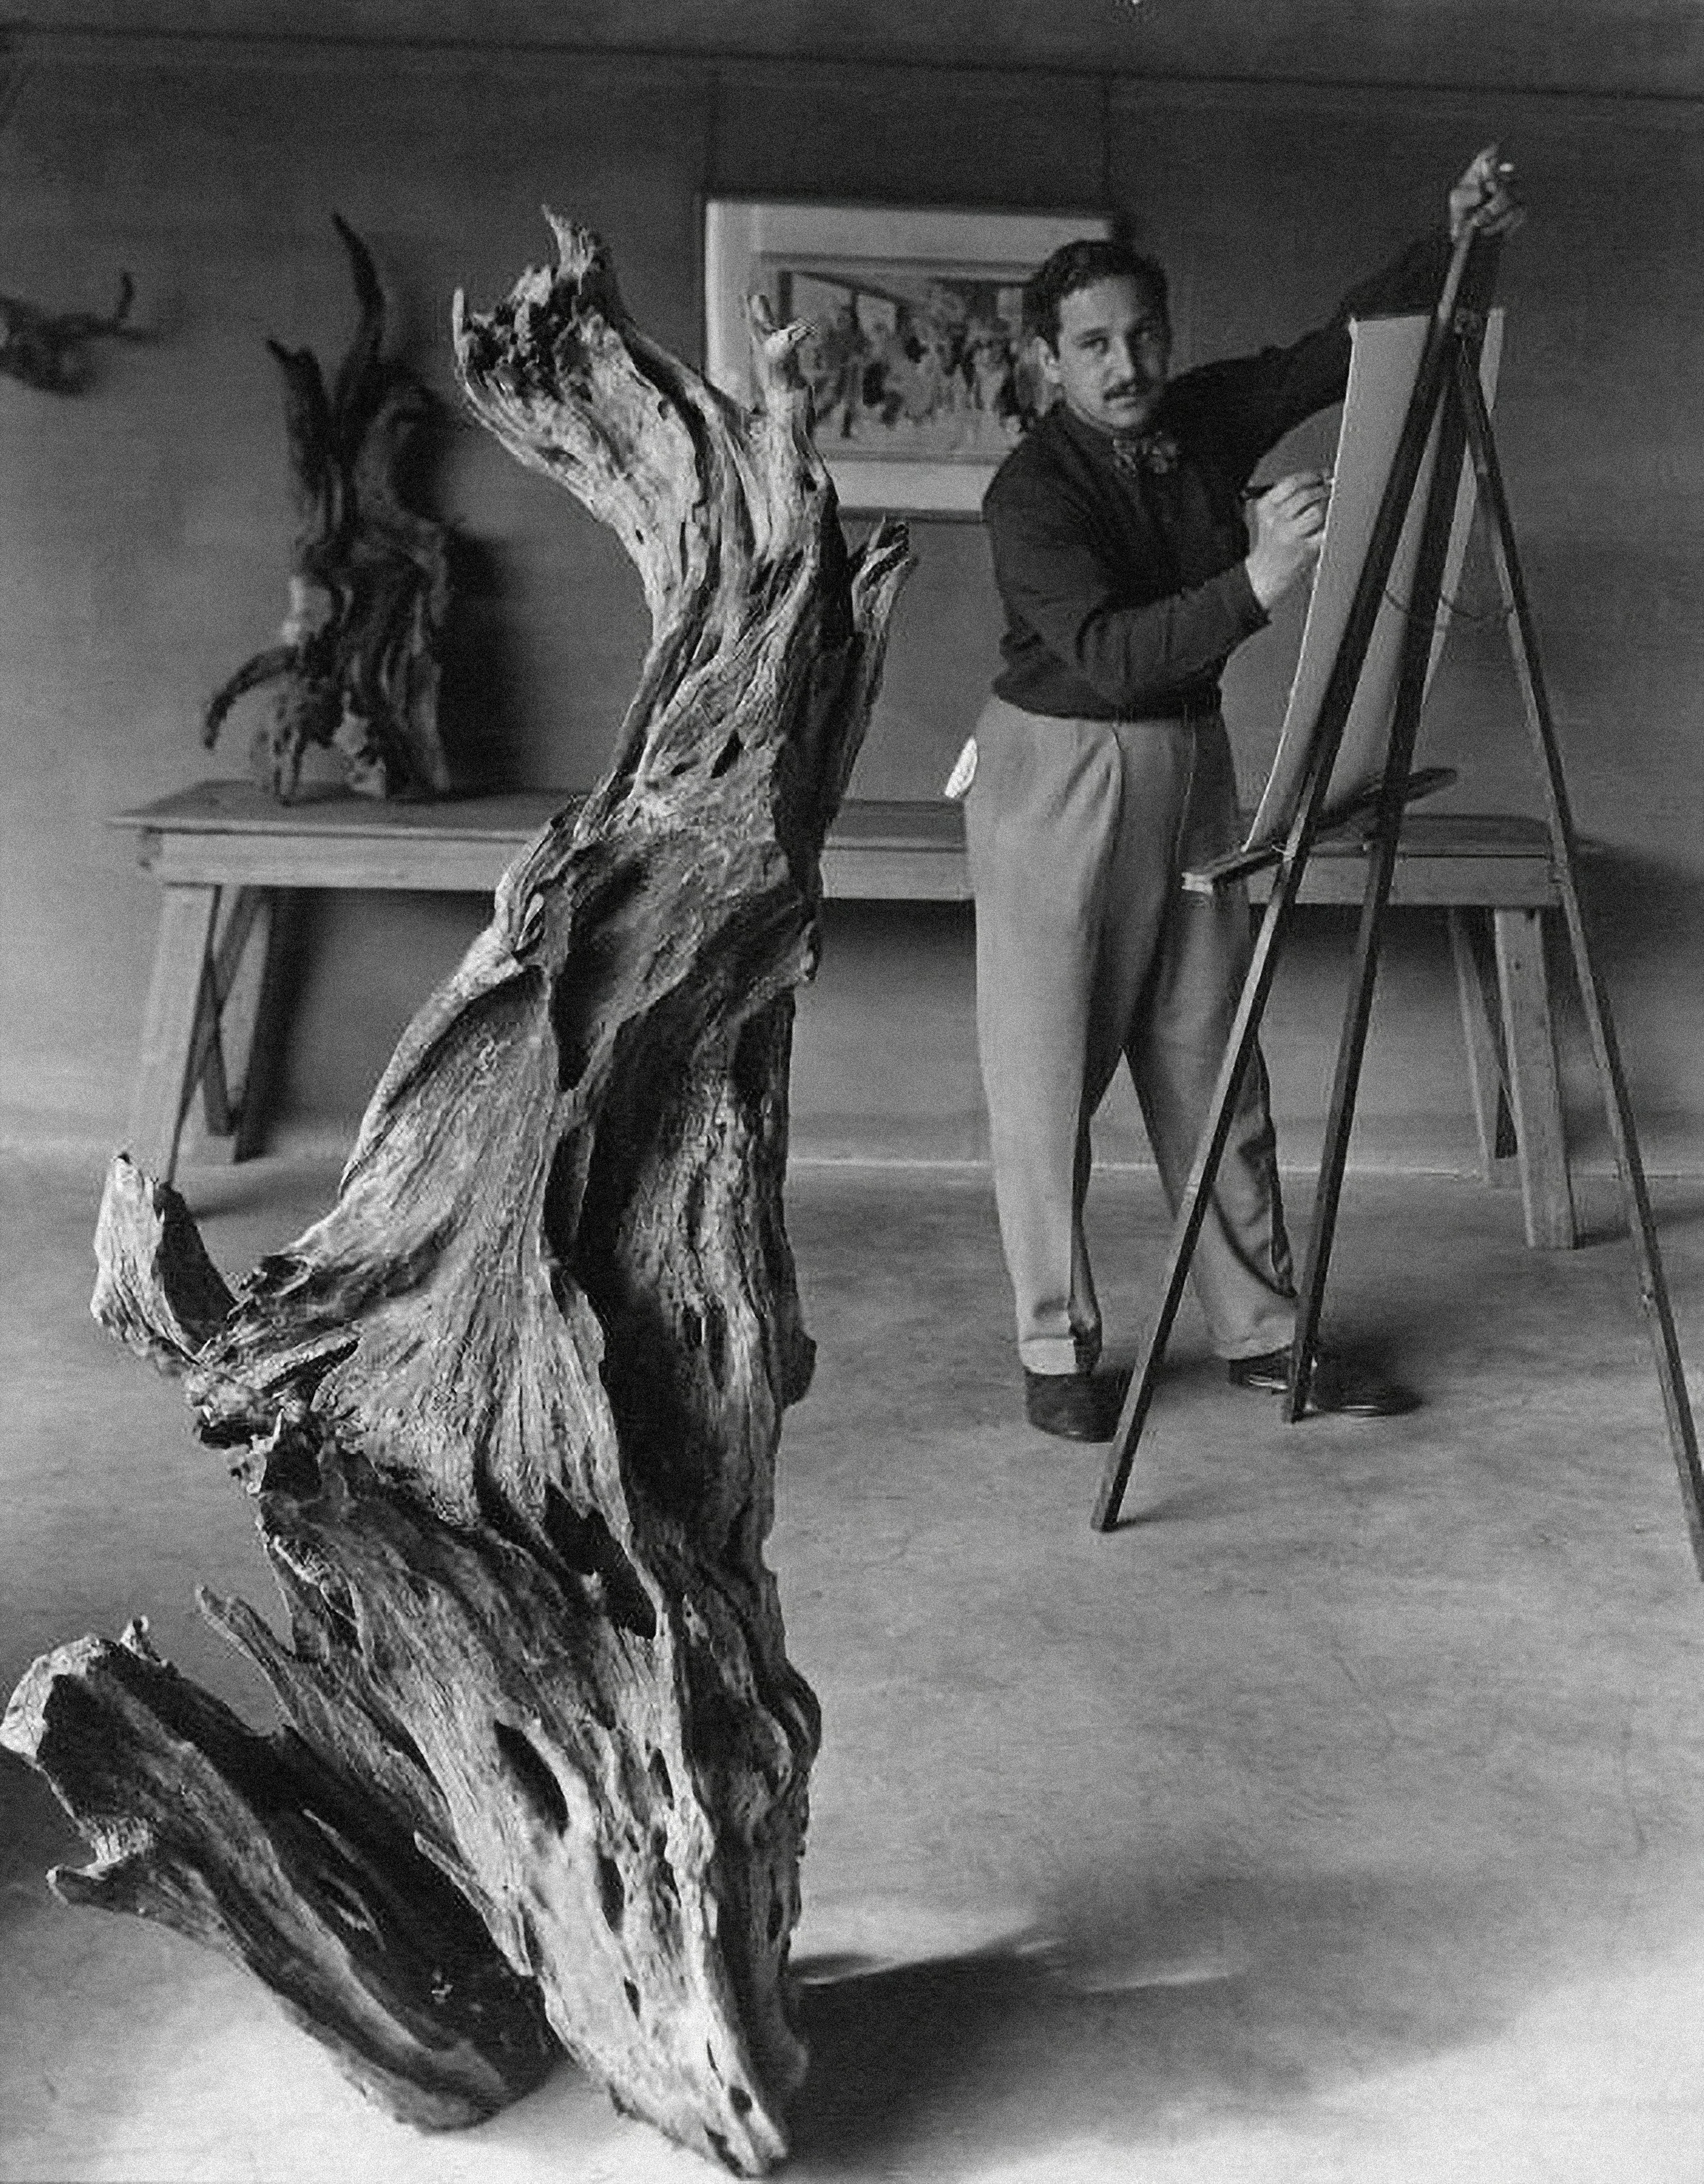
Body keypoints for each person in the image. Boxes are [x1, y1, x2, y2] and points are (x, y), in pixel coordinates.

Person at [967, 147, 1523, 1442]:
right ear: (1050, 361)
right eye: (1094, 344)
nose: (1127, 365)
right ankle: (1056, 1350)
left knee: (1214, 1051)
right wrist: (1263, 577)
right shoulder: (1030, 493)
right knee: (1048, 1074)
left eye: (1143, 333)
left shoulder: (1200, 416)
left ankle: (1263, 1333)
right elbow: (1106, 656)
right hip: (1058, 771)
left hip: (1193, 762)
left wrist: (1451, 243)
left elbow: (1337, 353)